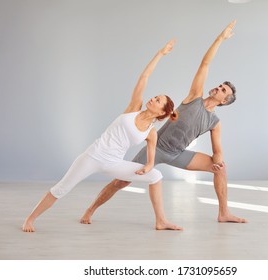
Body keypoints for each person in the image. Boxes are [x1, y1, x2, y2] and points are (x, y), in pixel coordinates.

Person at [80, 20, 247, 226]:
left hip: (178, 154)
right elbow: (205, 64)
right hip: (157, 147)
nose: (218, 88)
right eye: (220, 85)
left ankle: (224, 213)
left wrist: (218, 160)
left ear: (224, 101)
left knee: (221, 168)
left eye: (223, 90)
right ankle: (90, 209)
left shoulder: (215, 121)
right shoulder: (195, 97)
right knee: (121, 181)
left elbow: (217, 149)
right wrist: (220, 38)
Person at [22, 39, 183, 232]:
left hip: (114, 163)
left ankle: (161, 221)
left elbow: (150, 161)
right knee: (61, 189)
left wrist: (147, 168)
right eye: (155, 96)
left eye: (158, 100)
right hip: (92, 157)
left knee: (156, 175)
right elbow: (144, 77)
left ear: (161, 112)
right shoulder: (134, 108)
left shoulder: (151, 132)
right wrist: (160, 53)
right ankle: (30, 220)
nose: (153, 98)